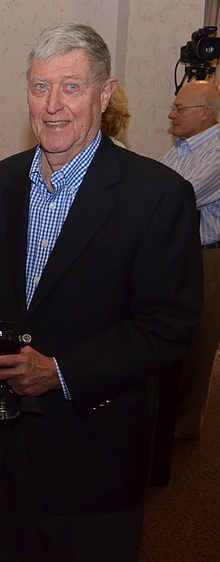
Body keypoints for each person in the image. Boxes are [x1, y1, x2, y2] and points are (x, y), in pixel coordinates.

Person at [0, 22, 202, 561]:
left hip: (96, 449)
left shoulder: (157, 194)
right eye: (40, 86)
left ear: (105, 93)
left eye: (71, 86)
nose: (52, 104)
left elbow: (168, 326)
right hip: (9, 444)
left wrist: (60, 371)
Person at [159, 80, 220, 441]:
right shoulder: (181, 148)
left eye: (180, 109)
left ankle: (185, 427)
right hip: (178, 253)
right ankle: (169, 416)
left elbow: (179, 196)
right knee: (176, 334)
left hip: (207, 256)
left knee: (200, 341)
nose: (172, 115)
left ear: (205, 114)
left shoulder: (217, 151)